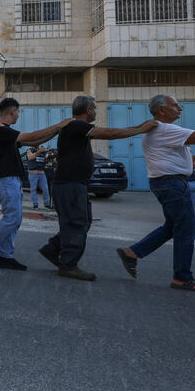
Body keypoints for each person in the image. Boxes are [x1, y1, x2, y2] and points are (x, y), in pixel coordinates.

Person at [117, 95, 195, 293]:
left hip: (167, 183)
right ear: (161, 110)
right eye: (175, 105)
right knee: (187, 230)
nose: (180, 108)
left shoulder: (159, 129)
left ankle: (132, 252)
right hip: (172, 184)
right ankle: (182, 278)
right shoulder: (164, 129)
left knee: (173, 226)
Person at [38, 95, 156, 281]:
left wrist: (142, 126)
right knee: (77, 224)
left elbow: (114, 131)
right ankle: (68, 265)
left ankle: (52, 249)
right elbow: (111, 133)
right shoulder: (77, 125)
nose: (95, 111)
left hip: (74, 184)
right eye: (94, 108)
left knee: (83, 222)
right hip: (70, 184)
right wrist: (141, 130)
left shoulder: (76, 127)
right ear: (88, 110)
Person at [0, 98, 71, 271]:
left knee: (14, 219)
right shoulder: (1, 130)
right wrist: (58, 125)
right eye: (18, 112)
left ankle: (6, 256)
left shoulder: (7, 133)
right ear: (12, 111)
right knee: (12, 217)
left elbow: (32, 142)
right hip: (4, 178)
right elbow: (32, 136)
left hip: (11, 179)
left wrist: (57, 131)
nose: (18, 115)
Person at [26, 145, 51, 209]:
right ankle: (35, 204)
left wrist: (49, 157)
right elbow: (30, 157)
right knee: (33, 189)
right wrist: (38, 151)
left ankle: (47, 204)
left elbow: (46, 161)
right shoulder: (30, 150)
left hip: (42, 173)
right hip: (33, 173)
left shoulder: (43, 152)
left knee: (45, 188)